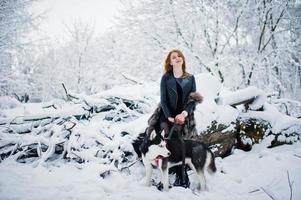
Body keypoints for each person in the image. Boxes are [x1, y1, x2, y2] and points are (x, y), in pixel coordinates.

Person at [159, 49, 197, 187]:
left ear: (183, 59)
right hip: (167, 114)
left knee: (179, 139)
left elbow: (193, 101)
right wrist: (169, 116)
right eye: (174, 57)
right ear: (170, 62)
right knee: (169, 137)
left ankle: (181, 176)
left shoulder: (191, 78)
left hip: (183, 115)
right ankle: (181, 176)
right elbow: (163, 100)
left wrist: (184, 114)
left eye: (179, 56)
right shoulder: (166, 78)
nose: (177, 58)